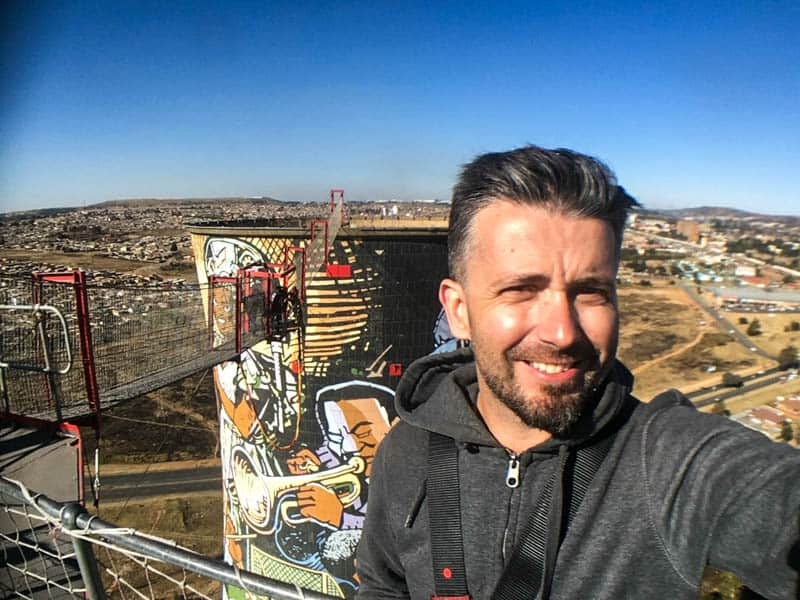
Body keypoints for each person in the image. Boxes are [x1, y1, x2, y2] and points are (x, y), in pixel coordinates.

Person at [355, 145, 800, 599]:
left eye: (590, 292)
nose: (563, 333)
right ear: (459, 310)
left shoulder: (670, 461)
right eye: (521, 290)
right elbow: (383, 586)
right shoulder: (407, 451)